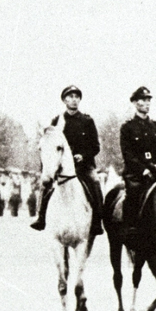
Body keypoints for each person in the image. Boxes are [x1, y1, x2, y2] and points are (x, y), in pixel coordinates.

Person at [31, 85, 104, 236]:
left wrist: (83, 156)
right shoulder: (57, 121)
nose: (74, 100)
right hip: (62, 167)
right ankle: (41, 217)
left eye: (76, 97)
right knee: (45, 185)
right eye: (70, 97)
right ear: (64, 100)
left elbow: (95, 146)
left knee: (95, 183)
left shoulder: (87, 121)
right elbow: (50, 144)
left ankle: (97, 221)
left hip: (84, 166)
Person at [119, 86, 156, 240]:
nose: (146, 103)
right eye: (143, 100)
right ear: (135, 103)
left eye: (148, 100)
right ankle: (130, 227)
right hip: (136, 173)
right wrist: (143, 170)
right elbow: (128, 154)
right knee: (134, 192)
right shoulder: (127, 128)